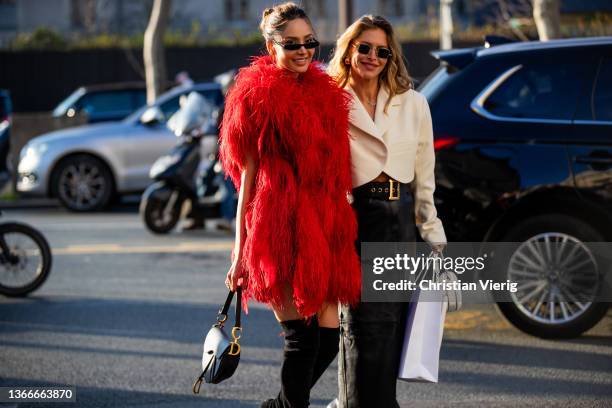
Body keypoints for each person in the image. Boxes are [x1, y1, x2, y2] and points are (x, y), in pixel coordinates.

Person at [219, 3, 361, 407]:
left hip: (324, 225)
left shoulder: (326, 95)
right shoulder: (256, 96)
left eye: (310, 42)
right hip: (277, 226)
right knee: (302, 341)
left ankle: (279, 406)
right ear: (270, 45)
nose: (303, 50)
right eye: (292, 43)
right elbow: (246, 181)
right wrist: (239, 251)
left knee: (330, 341)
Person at [328, 15, 447, 407]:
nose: (372, 56)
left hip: (398, 220)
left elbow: (424, 176)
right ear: (349, 51)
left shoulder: (412, 103)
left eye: (382, 50)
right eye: (364, 47)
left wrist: (433, 237)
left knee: (388, 327)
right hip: (354, 218)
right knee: (361, 327)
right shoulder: (330, 99)